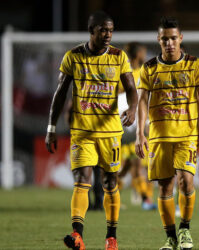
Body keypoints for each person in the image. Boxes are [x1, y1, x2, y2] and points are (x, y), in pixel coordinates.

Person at [45, 11, 137, 250]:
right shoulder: (73, 56)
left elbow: (131, 88)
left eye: (110, 30)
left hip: (110, 132)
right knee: (81, 180)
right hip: (82, 131)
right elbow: (60, 93)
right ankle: (77, 235)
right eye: (103, 30)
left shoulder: (118, 57)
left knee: (109, 182)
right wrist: (51, 127)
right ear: (92, 31)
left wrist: (133, 109)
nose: (108, 35)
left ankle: (111, 237)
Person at [135, 17, 199, 250]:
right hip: (159, 136)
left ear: (181, 38)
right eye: (165, 38)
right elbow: (141, 101)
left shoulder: (194, 64)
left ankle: (185, 229)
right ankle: (170, 237)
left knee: (186, 180)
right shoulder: (149, 68)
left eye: (173, 38)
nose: (169, 42)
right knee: (165, 187)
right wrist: (140, 133)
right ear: (159, 40)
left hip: (186, 134)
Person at [118, 42, 156, 210]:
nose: (145, 54)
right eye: (143, 52)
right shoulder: (125, 74)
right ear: (138, 54)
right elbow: (119, 98)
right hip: (127, 123)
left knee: (130, 165)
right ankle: (145, 199)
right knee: (135, 164)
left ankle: (113, 193)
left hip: (141, 121)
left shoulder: (144, 72)